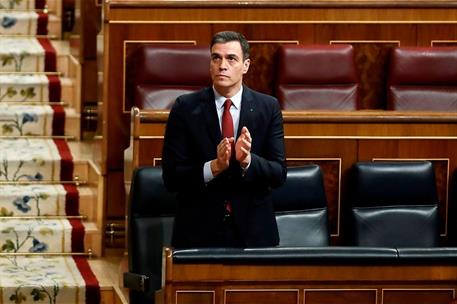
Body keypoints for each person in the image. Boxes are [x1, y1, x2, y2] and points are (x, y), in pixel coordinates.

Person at [162, 31, 286, 248]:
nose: (222, 65)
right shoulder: (185, 108)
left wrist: (247, 160)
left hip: (254, 233)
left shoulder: (268, 107)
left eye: (231, 58)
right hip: (197, 232)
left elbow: (278, 174)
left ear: (245, 65)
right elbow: (172, 177)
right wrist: (215, 166)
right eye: (215, 58)